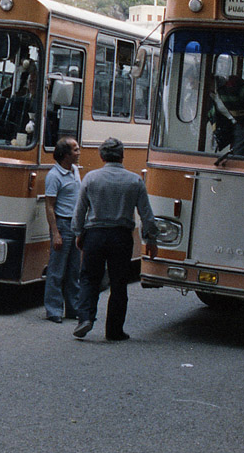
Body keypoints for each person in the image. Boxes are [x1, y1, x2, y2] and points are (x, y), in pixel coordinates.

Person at [72, 137, 157, 342]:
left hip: (95, 235)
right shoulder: (134, 180)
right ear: (122, 156)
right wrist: (151, 239)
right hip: (121, 237)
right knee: (119, 284)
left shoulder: (91, 178)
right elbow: (147, 215)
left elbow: (79, 211)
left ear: (101, 156)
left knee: (89, 279)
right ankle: (114, 330)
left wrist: (78, 233)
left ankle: (85, 318)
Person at [43, 136, 83, 323]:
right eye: (75, 150)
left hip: (75, 225)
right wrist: (55, 233)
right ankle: (54, 310)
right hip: (63, 224)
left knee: (74, 270)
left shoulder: (75, 170)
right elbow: (50, 206)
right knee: (57, 270)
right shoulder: (54, 176)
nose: (78, 152)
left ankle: (73, 309)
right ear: (65, 155)